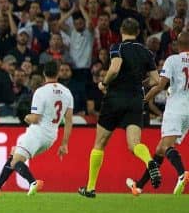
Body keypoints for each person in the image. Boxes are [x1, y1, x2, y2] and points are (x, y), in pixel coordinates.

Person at [79, 18, 161, 198]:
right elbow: (156, 81)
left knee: (99, 144)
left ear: (122, 31)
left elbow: (115, 69)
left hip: (115, 98)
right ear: (138, 32)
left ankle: (91, 187)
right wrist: (140, 81)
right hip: (135, 100)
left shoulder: (118, 47)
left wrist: (103, 82)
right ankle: (149, 161)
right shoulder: (146, 52)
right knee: (134, 144)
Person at [0, 61, 73, 196]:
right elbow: (69, 121)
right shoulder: (67, 93)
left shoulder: (41, 92)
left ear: (44, 73)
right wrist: (64, 144)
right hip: (51, 137)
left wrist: (26, 117)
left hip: (37, 133)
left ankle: (32, 182)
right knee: (14, 154)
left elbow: (35, 118)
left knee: (16, 161)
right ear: (58, 74)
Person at [127, 31, 189, 195]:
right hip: (188, 111)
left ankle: (182, 173)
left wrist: (144, 101)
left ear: (177, 44)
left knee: (167, 145)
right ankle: (139, 186)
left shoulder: (173, 60)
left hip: (176, 107)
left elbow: (160, 85)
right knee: (161, 149)